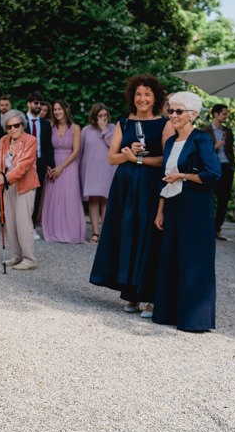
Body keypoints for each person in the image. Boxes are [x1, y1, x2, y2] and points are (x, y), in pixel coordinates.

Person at [89, 75, 170, 318]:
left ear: (155, 98)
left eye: (147, 94)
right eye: (138, 94)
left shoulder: (164, 124)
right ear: (132, 97)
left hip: (149, 187)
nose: (142, 98)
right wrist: (128, 155)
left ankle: (151, 297)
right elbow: (111, 158)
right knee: (127, 235)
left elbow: (167, 160)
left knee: (147, 237)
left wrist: (139, 159)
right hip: (124, 188)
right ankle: (130, 294)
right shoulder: (123, 124)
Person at [153, 91, 221, 332]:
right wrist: (160, 210)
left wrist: (183, 175)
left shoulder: (201, 140)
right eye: (171, 110)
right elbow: (165, 179)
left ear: (193, 114)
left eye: (179, 111)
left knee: (193, 259)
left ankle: (194, 318)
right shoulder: (171, 142)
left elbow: (213, 174)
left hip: (195, 206)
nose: (173, 115)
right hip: (172, 205)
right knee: (171, 256)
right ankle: (169, 312)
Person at [0, 109, 39, 270]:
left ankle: (29, 258)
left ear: (22, 125)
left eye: (16, 125)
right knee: (10, 222)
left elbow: (24, 166)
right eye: (9, 126)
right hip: (8, 186)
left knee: (23, 222)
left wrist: (5, 178)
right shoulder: (4, 141)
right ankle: (17, 255)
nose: (13, 129)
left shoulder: (30, 140)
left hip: (25, 185)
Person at [41, 100, 85, 243]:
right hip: (54, 164)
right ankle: (54, 230)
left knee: (69, 197)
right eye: (55, 109)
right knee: (54, 198)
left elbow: (76, 150)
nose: (57, 112)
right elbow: (47, 147)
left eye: (59, 109)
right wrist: (49, 165)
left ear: (66, 109)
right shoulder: (51, 126)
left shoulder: (75, 128)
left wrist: (62, 167)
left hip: (69, 164)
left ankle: (70, 232)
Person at [79, 103, 116, 243]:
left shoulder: (113, 129)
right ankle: (95, 232)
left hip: (108, 169)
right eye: (100, 116)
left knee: (106, 200)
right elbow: (81, 152)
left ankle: (105, 232)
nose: (103, 118)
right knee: (93, 200)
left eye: (105, 115)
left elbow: (114, 146)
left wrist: (104, 130)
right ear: (94, 117)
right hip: (91, 170)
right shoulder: (86, 130)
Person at [200, 104, 235, 240]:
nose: (226, 116)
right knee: (208, 198)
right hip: (211, 167)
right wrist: (214, 147)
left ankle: (217, 229)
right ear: (216, 114)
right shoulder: (204, 131)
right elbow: (201, 152)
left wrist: (233, 165)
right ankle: (205, 228)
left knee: (224, 200)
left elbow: (230, 150)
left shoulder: (228, 131)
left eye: (226, 114)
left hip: (226, 167)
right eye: (224, 114)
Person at [25, 91, 55, 230]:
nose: (38, 106)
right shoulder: (21, 121)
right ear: (29, 104)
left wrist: (51, 164)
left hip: (40, 163)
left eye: (40, 104)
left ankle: (31, 225)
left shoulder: (45, 124)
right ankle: (20, 224)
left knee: (37, 195)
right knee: (23, 194)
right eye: (35, 103)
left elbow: (48, 146)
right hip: (24, 163)